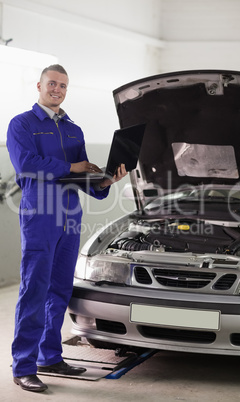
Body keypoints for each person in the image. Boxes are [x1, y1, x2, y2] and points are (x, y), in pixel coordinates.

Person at [6, 64, 127, 393]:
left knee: (59, 289)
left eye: (63, 85)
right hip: (39, 215)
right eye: (52, 83)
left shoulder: (74, 130)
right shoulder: (22, 124)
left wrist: (106, 181)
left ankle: (50, 356)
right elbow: (26, 164)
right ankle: (24, 366)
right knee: (34, 289)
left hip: (70, 216)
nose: (57, 89)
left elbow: (83, 178)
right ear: (40, 86)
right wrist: (71, 165)